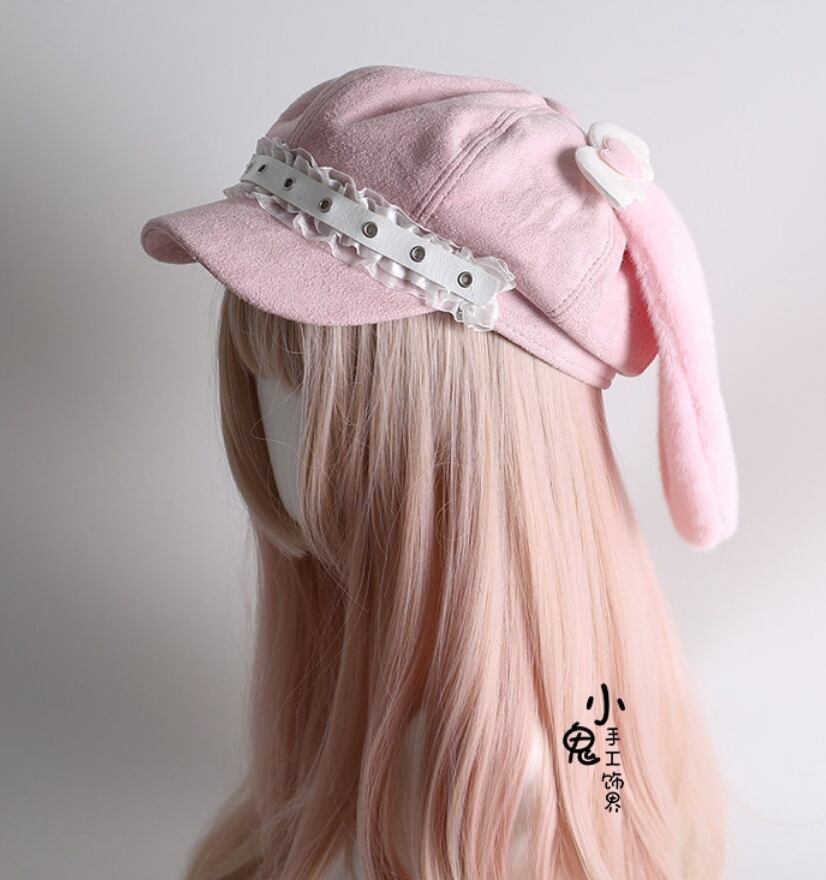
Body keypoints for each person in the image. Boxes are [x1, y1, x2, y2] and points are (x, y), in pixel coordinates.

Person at [139, 63, 738, 880]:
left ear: (467, 426)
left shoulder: (515, 789)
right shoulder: (418, 729)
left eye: (300, 379)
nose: (262, 421)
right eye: (258, 373)